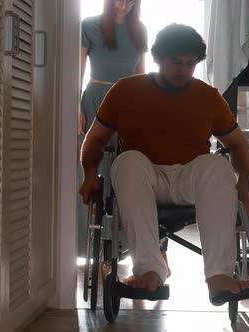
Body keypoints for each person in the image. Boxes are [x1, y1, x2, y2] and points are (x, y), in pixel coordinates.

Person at [79, 23, 249, 304]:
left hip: (190, 175)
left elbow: (238, 145)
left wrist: (244, 185)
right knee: (127, 161)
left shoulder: (208, 96)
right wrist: (89, 174)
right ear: (158, 57)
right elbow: (95, 139)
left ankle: (219, 276)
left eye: (190, 64)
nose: (183, 70)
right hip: (144, 175)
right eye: (176, 62)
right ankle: (150, 270)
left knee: (218, 165)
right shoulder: (126, 90)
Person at [77, 0, 171, 276]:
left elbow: (141, 75)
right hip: (95, 100)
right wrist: (76, 109)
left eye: (131, 1)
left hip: (130, 105)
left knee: (132, 173)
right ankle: (102, 251)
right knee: (99, 175)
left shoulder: (139, 29)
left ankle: (149, 252)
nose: (123, 5)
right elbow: (77, 71)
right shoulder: (89, 26)